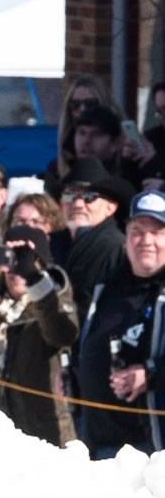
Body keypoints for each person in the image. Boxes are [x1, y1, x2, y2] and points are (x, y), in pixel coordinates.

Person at [0, 225, 78, 447]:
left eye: (24, 261)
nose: (16, 271)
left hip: (43, 429)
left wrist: (33, 278)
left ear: (41, 264)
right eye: (11, 261)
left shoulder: (55, 301)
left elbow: (61, 335)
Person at [75, 190, 165, 458]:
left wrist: (151, 374)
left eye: (157, 232)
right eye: (137, 231)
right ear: (126, 237)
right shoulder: (108, 285)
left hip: (152, 454)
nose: (145, 241)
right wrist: (72, 374)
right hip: (98, 443)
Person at [59, 158, 132, 311]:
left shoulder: (116, 247)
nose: (78, 204)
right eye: (70, 195)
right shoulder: (54, 242)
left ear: (110, 208)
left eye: (89, 197)